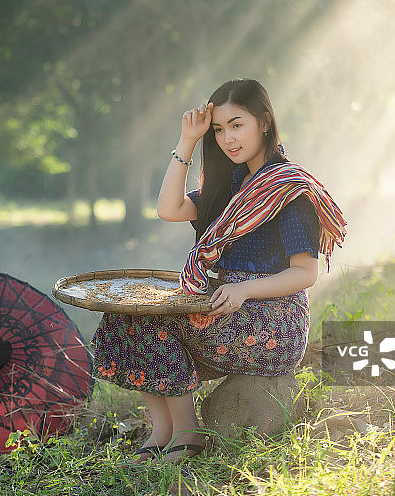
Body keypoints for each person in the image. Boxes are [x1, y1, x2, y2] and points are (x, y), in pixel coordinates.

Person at [91, 78, 346, 464]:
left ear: (263, 122)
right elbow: (169, 209)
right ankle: (163, 432)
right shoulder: (229, 184)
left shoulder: (288, 187)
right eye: (219, 129)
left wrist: (245, 290)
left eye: (237, 125)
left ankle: (188, 434)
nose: (228, 138)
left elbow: (305, 273)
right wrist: (188, 141)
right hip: (221, 303)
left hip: (273, 318)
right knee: (126, 315)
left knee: (161, 323)